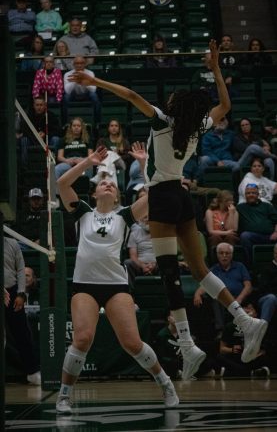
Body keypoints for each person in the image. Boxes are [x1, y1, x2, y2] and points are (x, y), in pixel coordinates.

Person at [68, 39, 268, 380]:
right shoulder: (196, 126)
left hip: (161, 195)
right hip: (182, 195)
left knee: (169, 272)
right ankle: (245, 319)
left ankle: (188, 346)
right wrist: (216, 68)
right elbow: (225, 104)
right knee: (200, 268)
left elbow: (132, 96)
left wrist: (95, 81)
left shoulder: (163, 120)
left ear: (176, 105)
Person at [55, 146, 179, 413]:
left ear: (118, 193)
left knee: (132, 343)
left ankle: (166, 383)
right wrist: (88, 162)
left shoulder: (124, 215)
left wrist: (145, 165)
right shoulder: (83, 211)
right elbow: (62, 182)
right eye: (103, 182)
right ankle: (64, 395)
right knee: (82, 339)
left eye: (112, 183)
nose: (108, 184)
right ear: (95, 191)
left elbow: (154, 195)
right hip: (84, 285)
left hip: (115, 286)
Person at [4, 236, 41, 385]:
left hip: (13, 291)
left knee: (22, 334)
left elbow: (20, 269)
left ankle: (32, 372)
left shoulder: (12, 243)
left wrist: (20, 293)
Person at [194, 242, 252, 334]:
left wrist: (239, 299)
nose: (224, 256)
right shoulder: (214, 269)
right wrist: (197, 294)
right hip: (223, 300)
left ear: (231, 255)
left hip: (239, 298)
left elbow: (248, 286)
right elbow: (205, 285)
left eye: (227, 253)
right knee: (216, 297)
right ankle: (221, 331)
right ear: (217, 255)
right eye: (221, 253)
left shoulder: (240, 266)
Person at [216, 301, 271, 378]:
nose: (247, 311)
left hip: (252, 358)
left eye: (250, 309)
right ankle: (252, 372)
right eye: (245, 308)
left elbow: (263, 350)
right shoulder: (230, 326)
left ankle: (233, 372)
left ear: (256, 314)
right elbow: (222, 349)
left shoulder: (260, 327)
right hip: (236, 357)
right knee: (220, 357)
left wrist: (257, 353)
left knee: (265, 358)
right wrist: (232, 349)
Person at [237, 183, 277, 266]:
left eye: (253, 193)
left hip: (269, 236)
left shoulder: (267, 206)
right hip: (251, 237)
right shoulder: (240, 207)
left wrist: (276, 232)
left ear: (258, 194)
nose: (251, 195)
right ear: (245, 195)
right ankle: (250, 266)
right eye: (248, 193)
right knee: (245, 236)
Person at [19, 97, 61, 166]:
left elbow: (58, 131)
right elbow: (24, 131)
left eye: (41, 105)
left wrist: (45, 134)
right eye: (37, 105)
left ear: (45, 106)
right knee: (24, 140)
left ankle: (55, 163)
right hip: (32, 140)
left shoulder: (51, 116)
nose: (39, 107)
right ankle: (24, 165)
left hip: (47, 140)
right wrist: (35, 135)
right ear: (34, 105)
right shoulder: (28, 116)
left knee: (56, 139)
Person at [198, 116, 240, 181]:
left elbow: (241, 139)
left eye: (223, 120)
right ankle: (201, 182)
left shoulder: (231, 134)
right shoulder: (207, 136)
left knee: (237, 166)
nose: (221, 122)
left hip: (226, 160)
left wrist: (260, 142)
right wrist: (217, 161)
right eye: (218, 120)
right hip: (211, 160)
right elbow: (206, 151)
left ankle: (228, 182)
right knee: (203, 159)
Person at [63, 56, 101, 125]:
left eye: (81, 63)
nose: (79, 65)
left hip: (86, 94)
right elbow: (67, 91)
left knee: (94, 96)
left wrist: (84, 81)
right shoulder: (68, 74)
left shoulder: (90, 73)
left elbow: (94, 89)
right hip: (73, 95)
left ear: (85, 64)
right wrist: (76, 80)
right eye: (77, 63)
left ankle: (97, 122)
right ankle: (65, 123)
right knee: (66, 97)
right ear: (73, 64)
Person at [155, 310, 183, 379]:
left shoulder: (184, 333)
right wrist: (175, 361)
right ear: (168, 318)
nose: (177, 319)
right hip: (170, 363)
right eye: (174, 316)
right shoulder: (161, 335)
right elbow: (161, 357)